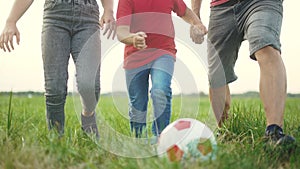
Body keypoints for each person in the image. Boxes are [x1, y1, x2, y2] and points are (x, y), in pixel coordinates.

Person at [0, 0, 116, 138]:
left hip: (88, 17)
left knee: (90, 85)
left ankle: (88, 116)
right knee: (55, 87)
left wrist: (108, 10)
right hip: (55, 17)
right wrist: (11, 21)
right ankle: (56, 139)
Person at [190, 0, 295, 146]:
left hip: (261, 2)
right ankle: (225, 131)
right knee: (217, 74)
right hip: (220, 8)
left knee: (265, 43)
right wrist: (195, 17)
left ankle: (274, 133)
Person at [116, 0, 207, 140]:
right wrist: (133, 38)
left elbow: (185, 11)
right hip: (134, 57)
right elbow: (121, 32)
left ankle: (161, 138)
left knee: (161, 90)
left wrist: (197, 23)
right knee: (137, 104)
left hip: (163, 52)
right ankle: (140, 140)